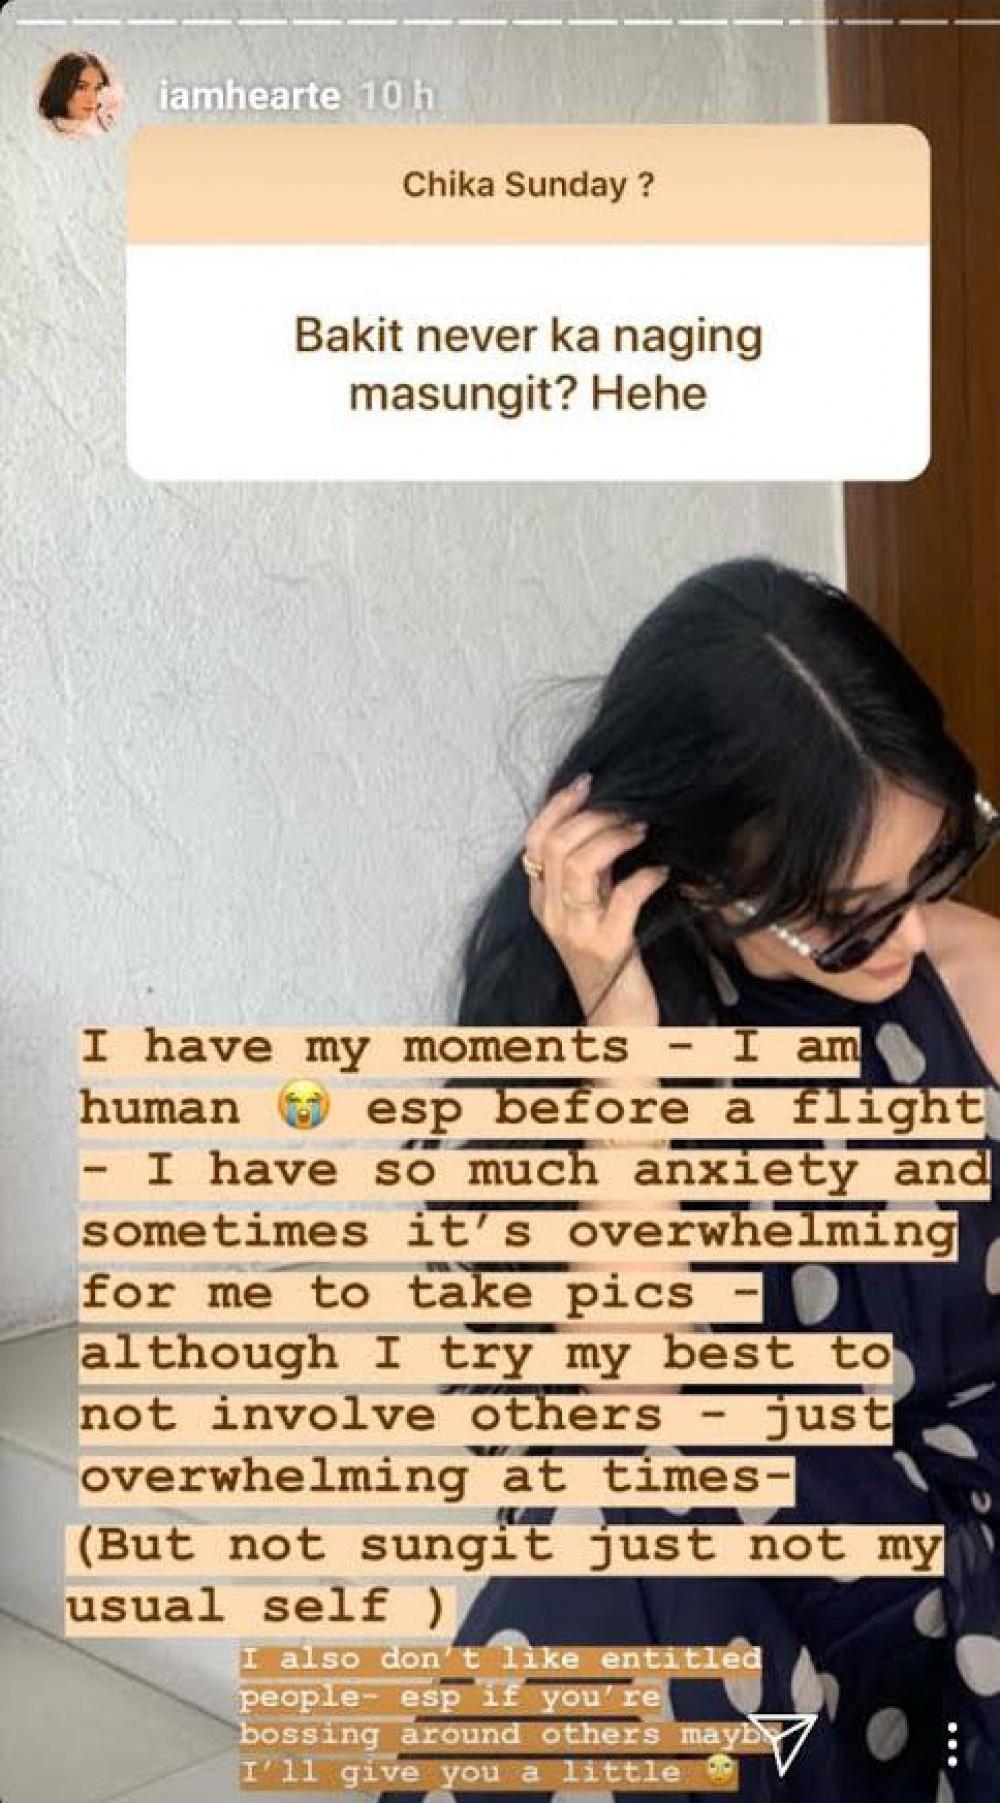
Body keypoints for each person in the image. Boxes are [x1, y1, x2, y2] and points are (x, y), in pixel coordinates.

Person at [393, 557, 999, 1802]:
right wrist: (624, 1030)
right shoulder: (592, 1026)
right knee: (625, 1540)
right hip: (766, 1513)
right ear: (700, 876)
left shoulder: (971, 980)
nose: (904, 936)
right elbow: (623, 1389)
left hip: (969, 1496)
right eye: (845, 913)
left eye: (934, 868)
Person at [37, 53, 120, 138]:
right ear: (61, 89)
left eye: (98, 88)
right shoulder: (49, 132)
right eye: (81, 87)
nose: (92, 98)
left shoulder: (102, 130)